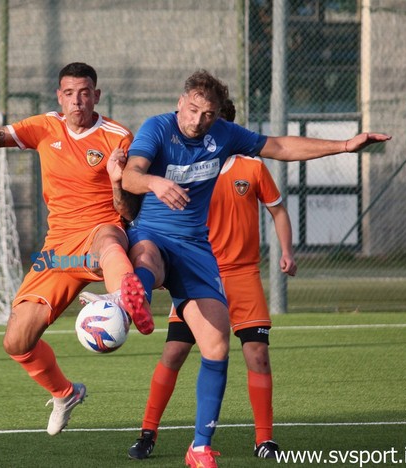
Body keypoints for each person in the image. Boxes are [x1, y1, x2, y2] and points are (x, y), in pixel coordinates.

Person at [119, 70, 390, 468]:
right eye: (192, 110)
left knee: (216, 347)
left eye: (207, 114)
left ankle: (199, 448)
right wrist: (155, 184)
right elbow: (130, 173)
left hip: (198, 251)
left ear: (217, 116)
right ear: (180, 102)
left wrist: (345, 145)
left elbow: (280, 145)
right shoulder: (157, 128)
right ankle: (134, 297)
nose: (197, 120)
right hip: (155, 234)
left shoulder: (225, 136)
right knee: (149, 260)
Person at [0, 62, 153, 436]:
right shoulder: (44, 127)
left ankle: (122, 302)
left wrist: (117, 182)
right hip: (58, 253)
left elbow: (129, 211)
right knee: (16, 341)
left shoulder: (118, 137)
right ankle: (65, 394)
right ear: (59, 97)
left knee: (111, 242)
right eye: (69, 93)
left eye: (85, 93)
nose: (77, 101)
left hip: (100, 231)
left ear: (96, 95)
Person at [127, 99, 297, 462]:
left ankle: (262, 439)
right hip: (198, 271)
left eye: (213, 122)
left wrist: (287, 250)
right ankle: (147, 432)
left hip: (242, 275)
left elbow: (278, 208)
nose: (204, 129)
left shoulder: (251, 167)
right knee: (174, 352)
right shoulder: (185, 167)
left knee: (257, 354)